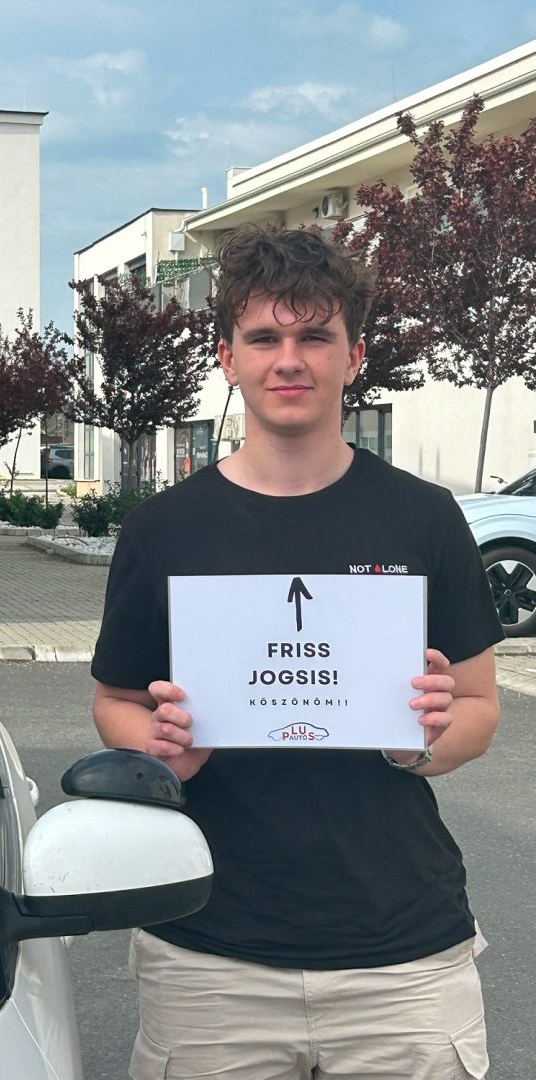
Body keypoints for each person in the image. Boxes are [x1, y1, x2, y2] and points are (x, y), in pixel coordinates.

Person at [90, 225, 503, 1080]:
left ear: (354, 357)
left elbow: (478, 706)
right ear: (227, 358)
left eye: (315, 336)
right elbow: (116, 700)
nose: (289, 360)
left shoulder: (424, 519)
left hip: (402, 959)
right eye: (263, 338)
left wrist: (422, 741)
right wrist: (159, 749)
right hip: (209, 952)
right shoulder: (164, 529)